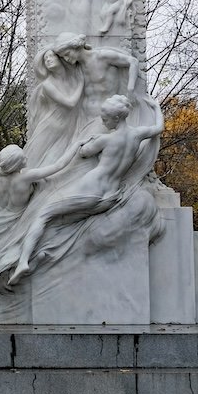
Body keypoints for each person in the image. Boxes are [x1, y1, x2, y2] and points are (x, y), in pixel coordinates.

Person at [8, 94, 164, 285]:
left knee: (43, 215)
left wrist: (86, 140)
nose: (102, 120)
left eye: (105, 117)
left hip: (91, 188)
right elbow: (158, 128)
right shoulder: (137, 135)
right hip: (109, 198)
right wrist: (155, 107)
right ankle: (43, 255)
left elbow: (84, 152)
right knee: (63, 223)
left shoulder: (105, 140)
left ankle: (23, 261)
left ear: (116, 118)